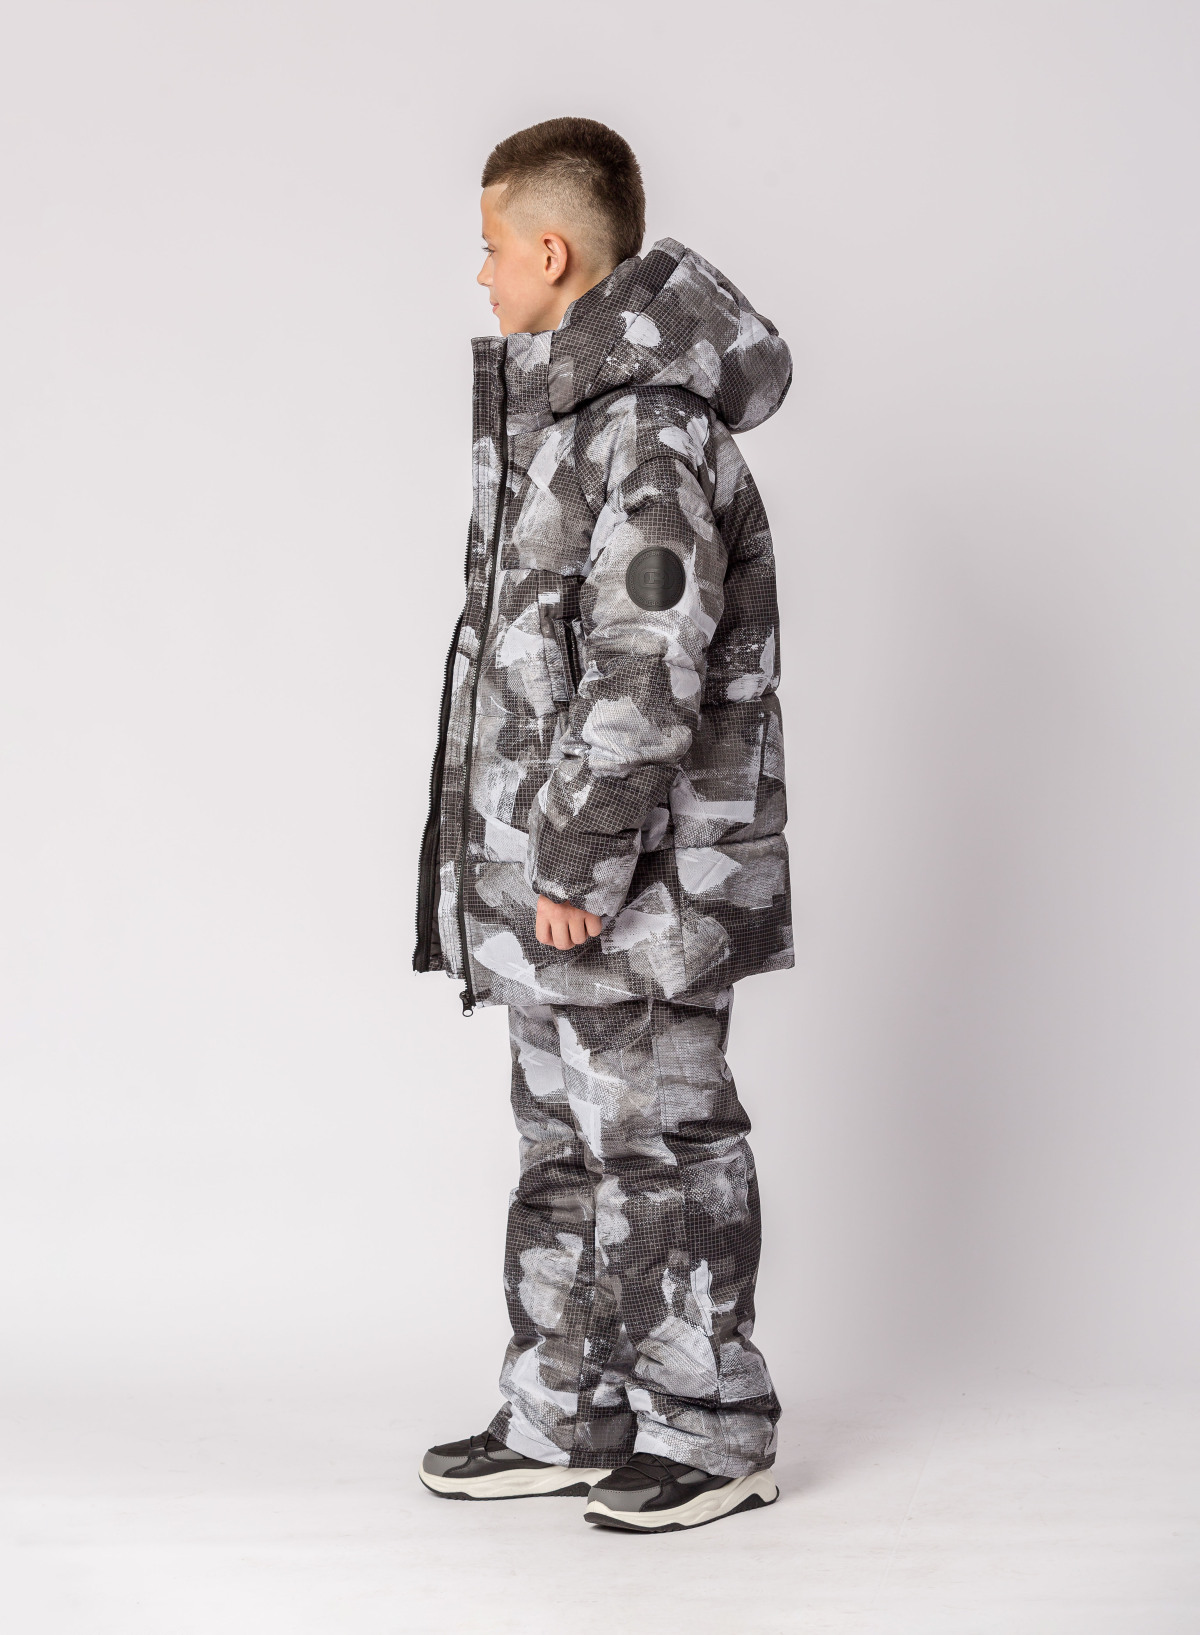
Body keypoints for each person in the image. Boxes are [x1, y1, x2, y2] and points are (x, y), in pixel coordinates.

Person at [412, 117, 793, 1533]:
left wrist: (575, 858)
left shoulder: (649, 427)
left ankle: (712, 1432)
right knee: (564, 1148)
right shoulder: (568, 418)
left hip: (637, 884)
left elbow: (644, 664)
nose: (482, 274)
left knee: (660, 1148)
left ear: (552, 250)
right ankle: (566, 1413)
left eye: (492, 248)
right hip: (551, 883)